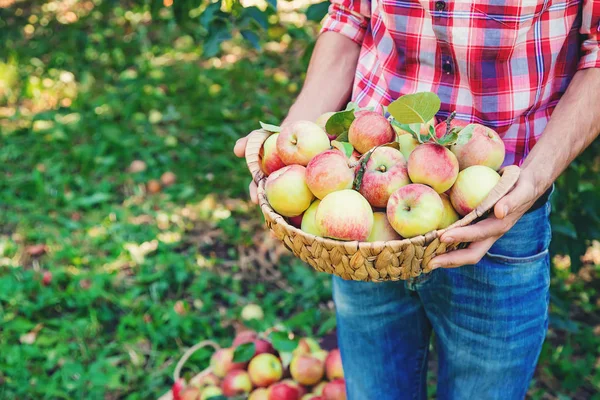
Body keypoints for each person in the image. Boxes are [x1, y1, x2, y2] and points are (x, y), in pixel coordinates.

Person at [234, 0, 600, 397]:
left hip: (499, 209)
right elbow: (350, 17)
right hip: (360, 205)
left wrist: (531, 182)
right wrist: (292, 144)